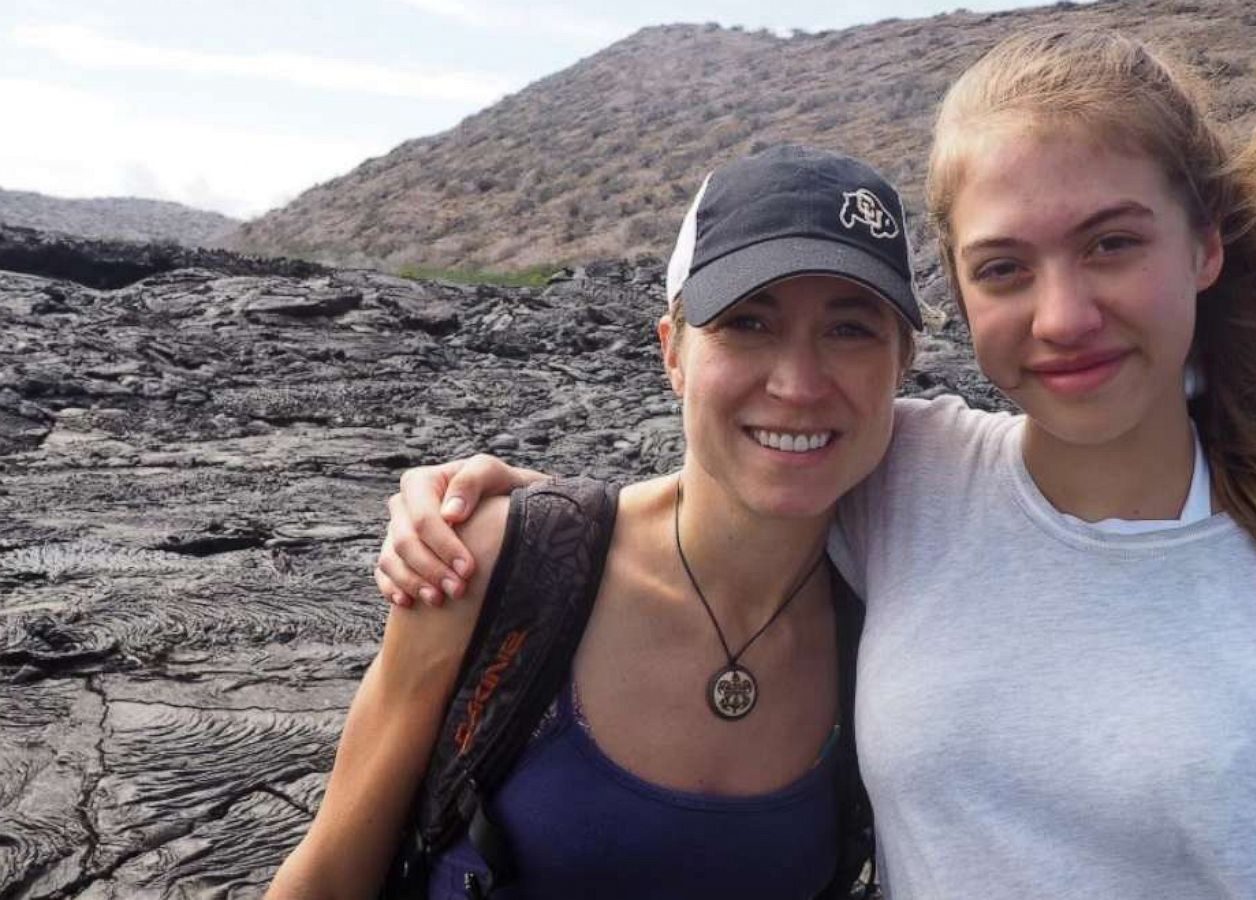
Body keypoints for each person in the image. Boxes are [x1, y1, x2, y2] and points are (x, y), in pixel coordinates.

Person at [376, 29, 1256, 899]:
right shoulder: (912, 478)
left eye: (1112, 244)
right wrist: (492, 507)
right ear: (961, 300)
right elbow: (746, 464)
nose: (1063, 315)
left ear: (1204, 245)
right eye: (1005, 267)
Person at [267, 145, 925, 899]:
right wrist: (549, 516)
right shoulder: (490, 564)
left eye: (850, 330)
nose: (799, 384)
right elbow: (326, 876)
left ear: (903, 363)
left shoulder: (893, 617)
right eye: (747, 322)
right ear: (672, 352)